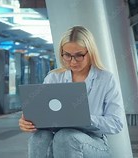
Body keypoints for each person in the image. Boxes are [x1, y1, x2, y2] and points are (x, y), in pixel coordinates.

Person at [19, 26, 125, 158]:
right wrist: (29, 122)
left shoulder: (105, 79)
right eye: (67, 55)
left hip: (94, 143)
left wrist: (85, 118)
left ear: (90, 52)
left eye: (79, 55)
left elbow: (116, 123)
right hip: (58, 138)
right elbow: (43, 113)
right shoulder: (53, 78)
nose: (73, 61)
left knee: (66, 137)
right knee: (39, 138)